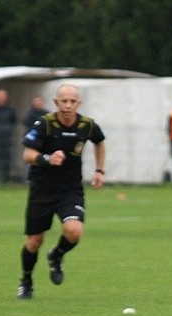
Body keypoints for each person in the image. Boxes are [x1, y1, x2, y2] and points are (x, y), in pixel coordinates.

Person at [18, 84, 106, 299]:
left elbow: (100, 141)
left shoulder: (86, 125)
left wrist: (99, 170)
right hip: (42, 189)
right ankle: (26, 280)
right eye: (63, 101)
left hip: (70, 189)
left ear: (78, 103)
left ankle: (56, 255)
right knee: (34, 241)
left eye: (72, 101)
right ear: (56, 103)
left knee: (74, 230)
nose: (67, 105)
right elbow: (27, 154)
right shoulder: (45, 124)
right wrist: (47, 158)